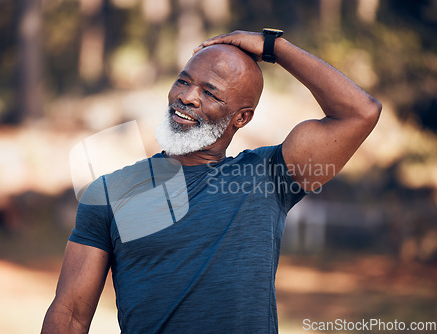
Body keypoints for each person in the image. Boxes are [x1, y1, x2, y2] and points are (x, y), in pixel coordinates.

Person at [41, 29, 381, 333]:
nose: (187, 97)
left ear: (241, 118)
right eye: (184, 81)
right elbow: (70, 314)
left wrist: (273, 46)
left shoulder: (268, 178)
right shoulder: (111, 192)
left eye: (211, 93)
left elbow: (359, 112)